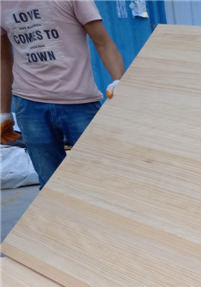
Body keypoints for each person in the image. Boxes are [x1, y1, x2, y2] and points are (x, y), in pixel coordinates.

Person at [1, 1, 125, 187]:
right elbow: (3, 58)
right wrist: (3, 111)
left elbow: (103, 43)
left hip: (79, 102)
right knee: (49, 182)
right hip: (29, 106)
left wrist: (119, 81)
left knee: (101, 176)